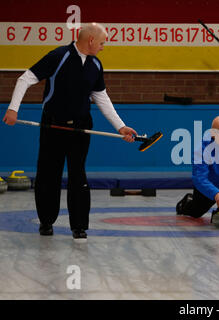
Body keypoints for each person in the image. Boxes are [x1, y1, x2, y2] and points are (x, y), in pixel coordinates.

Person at [2, 23, 137, 242]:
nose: (103, 47)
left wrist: (120, 126)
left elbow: (101, 97)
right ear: (91, 40)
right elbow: (24, 79)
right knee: (48, 174)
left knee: (78, 175)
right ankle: (46, 222)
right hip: (53, 125)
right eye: (102, 43)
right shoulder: (59, 55)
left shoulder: (95, 64)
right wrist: (13, 109)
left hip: (81, 126)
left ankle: (79, 227)